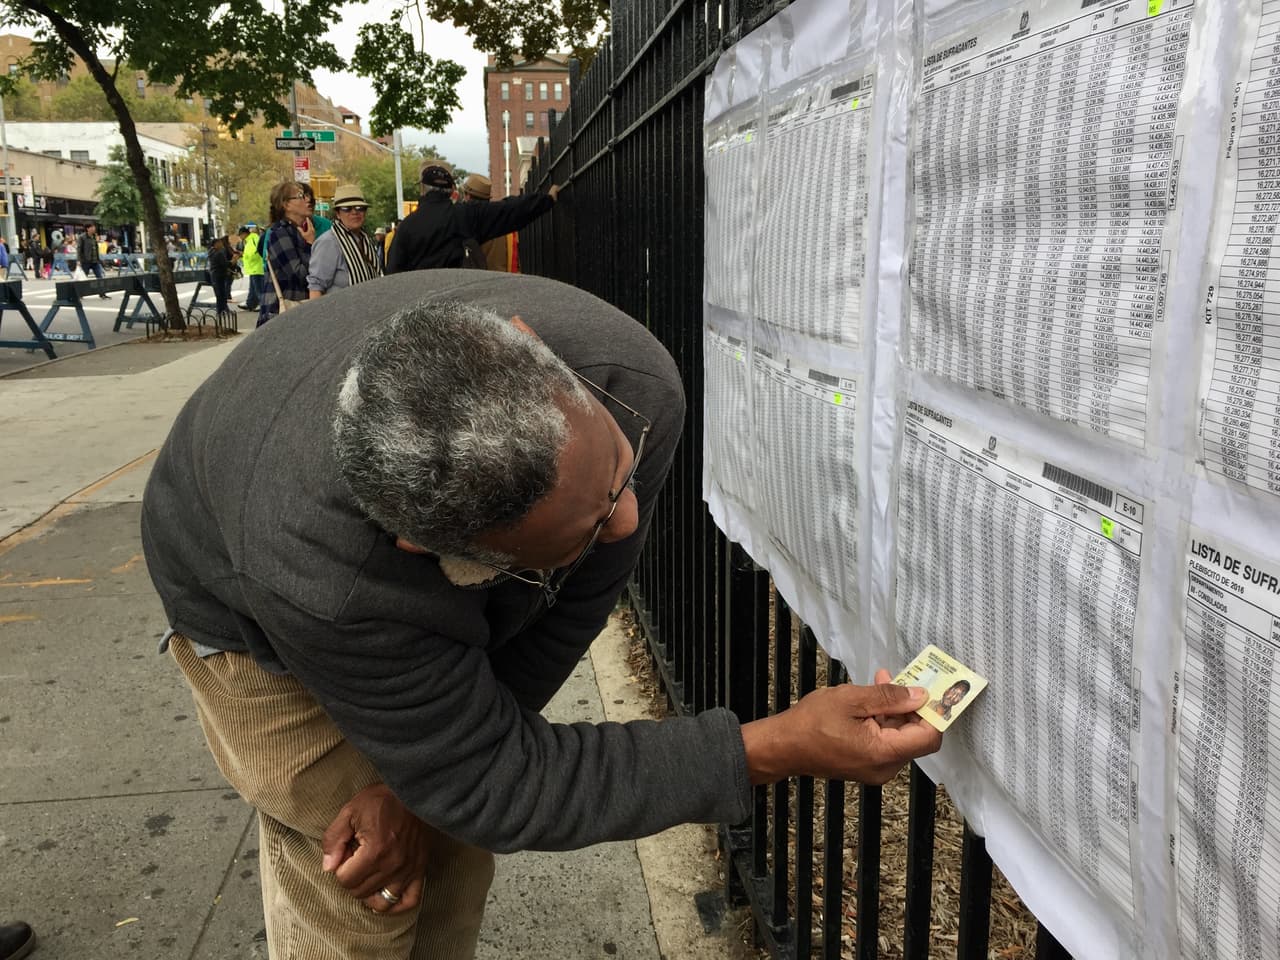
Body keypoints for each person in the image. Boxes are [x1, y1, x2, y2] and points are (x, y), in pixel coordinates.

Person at [141, 272, 941, 959]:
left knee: (447, 842)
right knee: (364, 879)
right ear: (427, 550)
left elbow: (567, 615)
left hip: (323, 493)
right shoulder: (328, 579)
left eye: (617, 474)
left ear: (531, 349)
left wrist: (434, 782)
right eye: (585, 532)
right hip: (239, 603)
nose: (628, 522)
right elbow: (497, 780)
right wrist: (776, 745)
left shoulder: (627, 382)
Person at [385, 164, 559, 273]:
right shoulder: (466, 215)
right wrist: (547, 199)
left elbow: (393, 271)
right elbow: (510, 209)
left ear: (423, 189)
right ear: (451, 191)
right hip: (459, 301)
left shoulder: (406, 226)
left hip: (420, 306)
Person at [307, 183, 383, 297]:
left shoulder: (365, 239)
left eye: (359, 208)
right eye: (346, 209)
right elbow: (316, 287)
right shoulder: (329, 242)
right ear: (338, 214)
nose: (354, 212)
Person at [259, 181, 315, 326]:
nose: (308, 199)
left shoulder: (296, 230)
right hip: (282, 312)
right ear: (286, 205)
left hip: (296, 309)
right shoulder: (280, 232)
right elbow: (299, 274)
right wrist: (310, 245)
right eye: (301, 196)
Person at [458, 174, 509, 272]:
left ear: (468, 196)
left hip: (476, 278)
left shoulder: (466, 222)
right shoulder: (501, 221)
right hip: (502, 277)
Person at [206, 235, 233, 321]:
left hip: (214, 275)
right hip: (219, 275)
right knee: (221, 294)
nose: (222, 244)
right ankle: (221, 310)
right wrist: (233, 261)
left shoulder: (211, 252)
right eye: (220, 243)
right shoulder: (219, 253)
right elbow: (225, 264)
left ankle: (222, 310)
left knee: (219, 293)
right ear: (216, 244)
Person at [76, 223, 109, 297]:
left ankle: (102, 294)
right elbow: (79, 249)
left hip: (95, 261)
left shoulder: (94, 236)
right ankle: (79, 294)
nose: (94, 228)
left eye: (94, 227)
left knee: (100, 277)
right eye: (92, 227)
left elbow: (95, 248)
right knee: (83, 278)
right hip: (86, 261)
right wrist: (78, 260)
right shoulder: (82, 237)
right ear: (88, 228)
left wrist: (99, 259)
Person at [238, 224, 264, 310]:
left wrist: (244, 255)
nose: (240, 237)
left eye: (240, 235)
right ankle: (250, 304)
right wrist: (242, 255)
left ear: (244, 234)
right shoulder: (249, 240)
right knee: (252, 288)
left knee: (258, 288)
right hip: (253, 268)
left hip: (257, 268)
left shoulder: (253, 239)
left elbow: (255, 253)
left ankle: (263, 305)